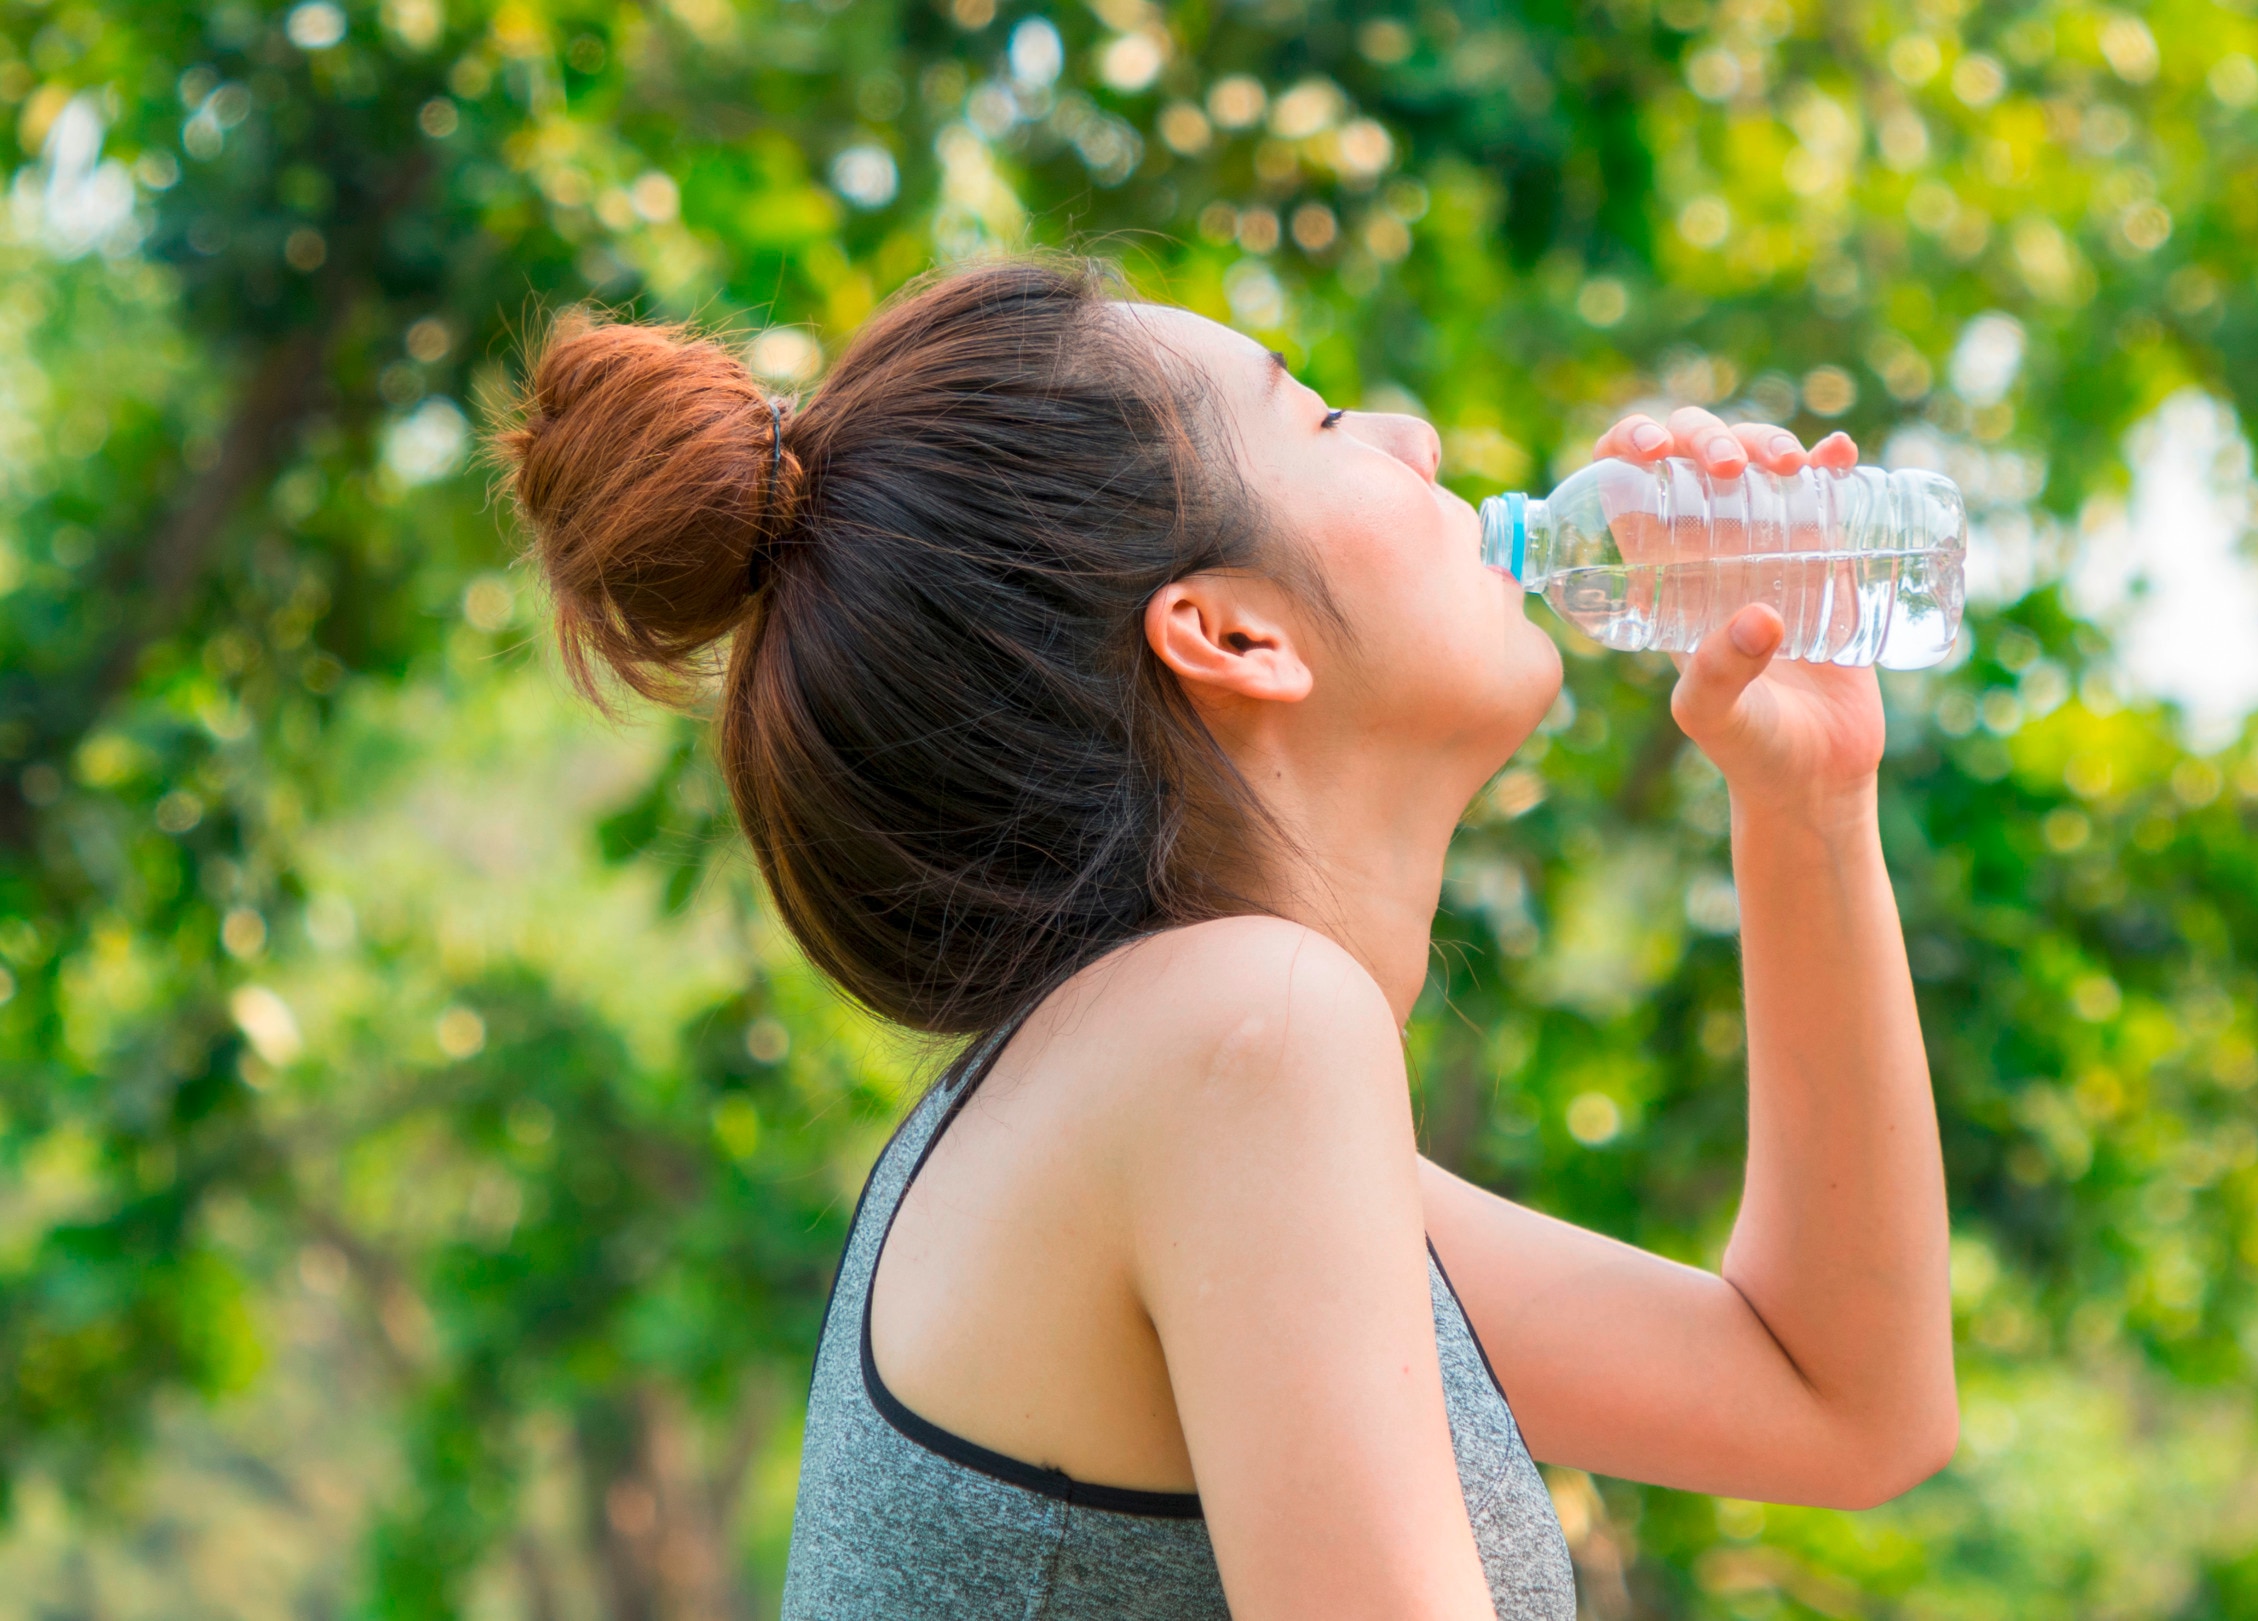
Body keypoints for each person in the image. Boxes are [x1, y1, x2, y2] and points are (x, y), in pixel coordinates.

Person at [496, 255, 1955, 1619]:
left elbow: (1841, 1401)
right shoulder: (1244, 1034)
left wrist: (1809, 804)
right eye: (1320, 418)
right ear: (1235, 634)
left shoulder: (1188, 1073)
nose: (1417, 436)